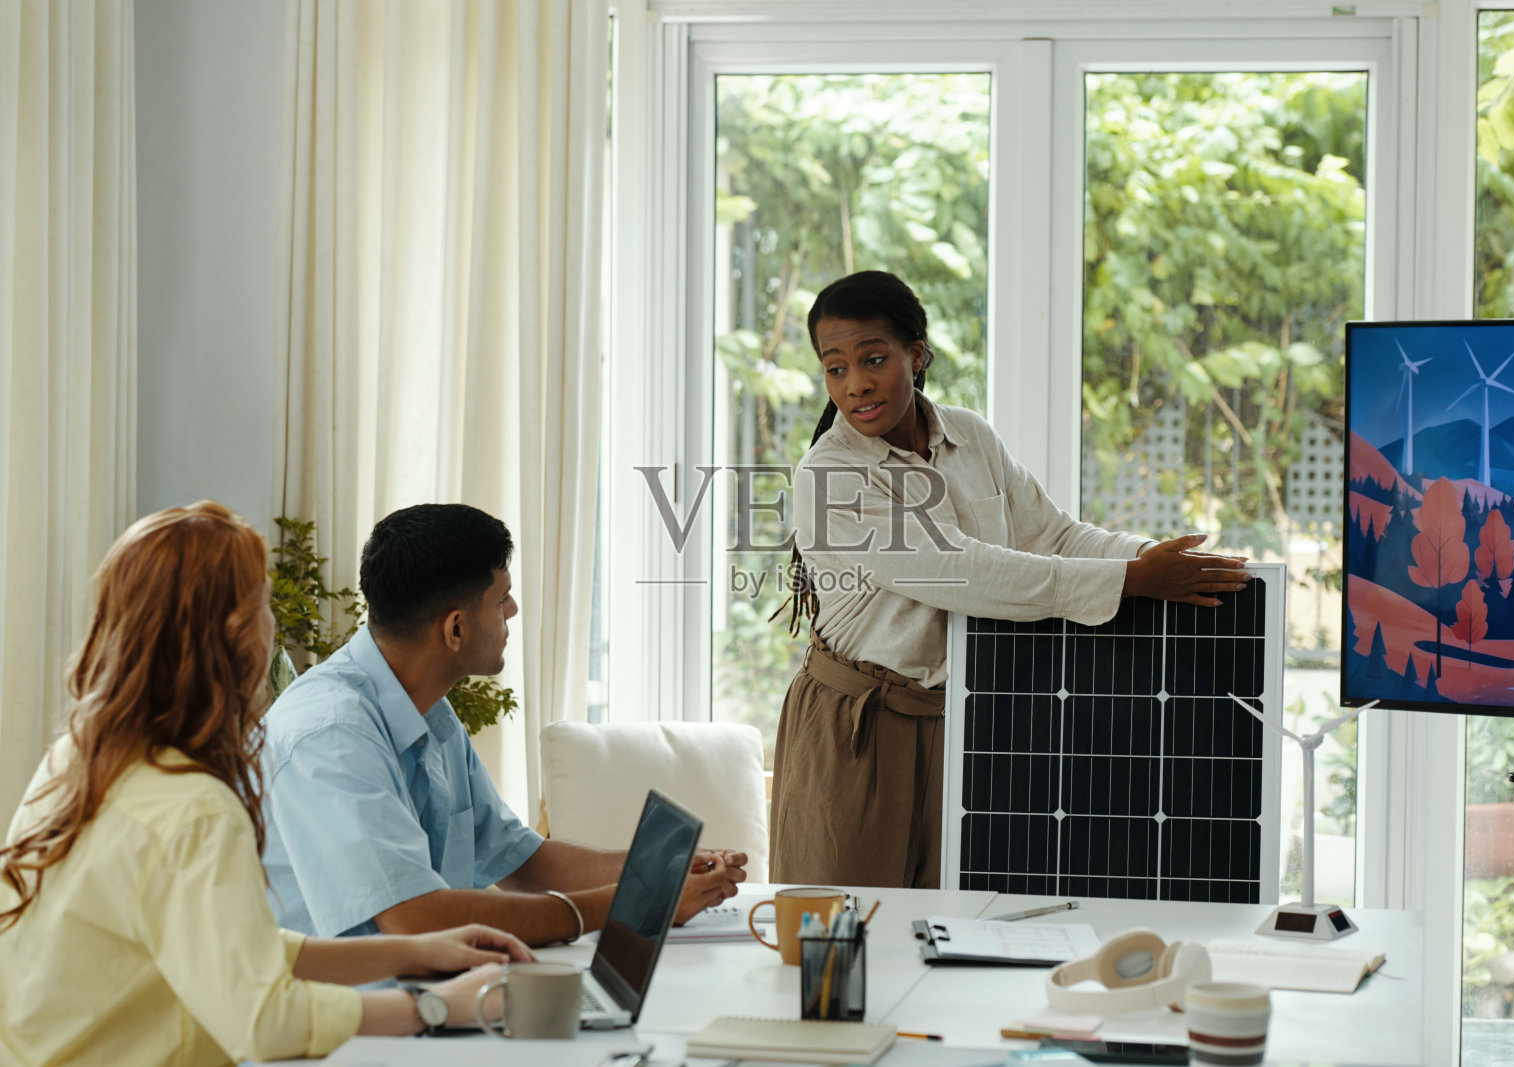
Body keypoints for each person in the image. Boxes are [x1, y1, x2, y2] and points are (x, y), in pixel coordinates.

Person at [0, 502, 532, 1067]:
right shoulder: (195, 808)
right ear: (231, 635)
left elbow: (230, 948)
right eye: (262, 602)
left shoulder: (80, 758)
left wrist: (412, 952)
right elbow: (263, 1023)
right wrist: (435, 1007)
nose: (270, 624)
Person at [770, 270, 1251, 889]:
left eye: (874, 359)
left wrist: (1156, 559)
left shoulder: (970, 436)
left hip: (966, 723)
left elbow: (1054, 536)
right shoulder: (828, 475)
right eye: (835, 368)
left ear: (917, 355)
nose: (856, 383)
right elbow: (959, 570)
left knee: (951, 935)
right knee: (841, 943)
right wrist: (1133, 580)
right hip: (858, 733)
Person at [262, 503, 746, 948]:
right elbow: (413, 919)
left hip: (433, 989)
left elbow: (521, 861)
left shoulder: (430, 711)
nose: (512, 611)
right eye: (501, 599)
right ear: (455, 629)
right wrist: (637, 899)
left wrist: (662, 870)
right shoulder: (329, 733)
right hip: (345, 1021)